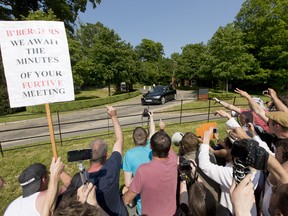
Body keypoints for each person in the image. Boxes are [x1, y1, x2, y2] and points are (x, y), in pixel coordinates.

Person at [69, 106, 128, 216]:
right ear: (106, 154)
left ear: (88, 155)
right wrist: (114, 116)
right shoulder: (112, 167)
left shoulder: (81, 181)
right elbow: (119, 140)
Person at [123, 129, 178, 215]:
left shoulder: (143, 171)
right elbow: (165, 144)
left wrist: (123, 195)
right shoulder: (174, 159)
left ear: (150, 146)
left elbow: (127, 199)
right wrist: (162, 129)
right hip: (171, 213)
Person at [4, 157, 70, 216]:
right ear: (44, 179)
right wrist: (57, 172)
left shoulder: (12, 205)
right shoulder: (42, 197)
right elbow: (71, 184)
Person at [122, 111, 155, 215]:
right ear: (146, 138)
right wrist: (151, 118)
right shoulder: (151, 147)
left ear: (133, 140)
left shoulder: (129, 155)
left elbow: (128, 183)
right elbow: (153, 133)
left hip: (143, 207)